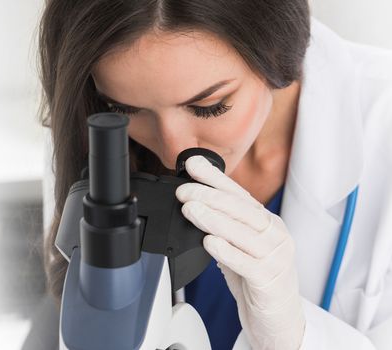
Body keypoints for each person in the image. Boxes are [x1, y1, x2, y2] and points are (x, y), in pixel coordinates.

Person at [35, 1, 392, 349]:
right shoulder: (97, 142)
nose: (174, 152)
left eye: (208, 106)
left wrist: (294, 338)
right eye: (126, 109)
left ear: (278, 51)